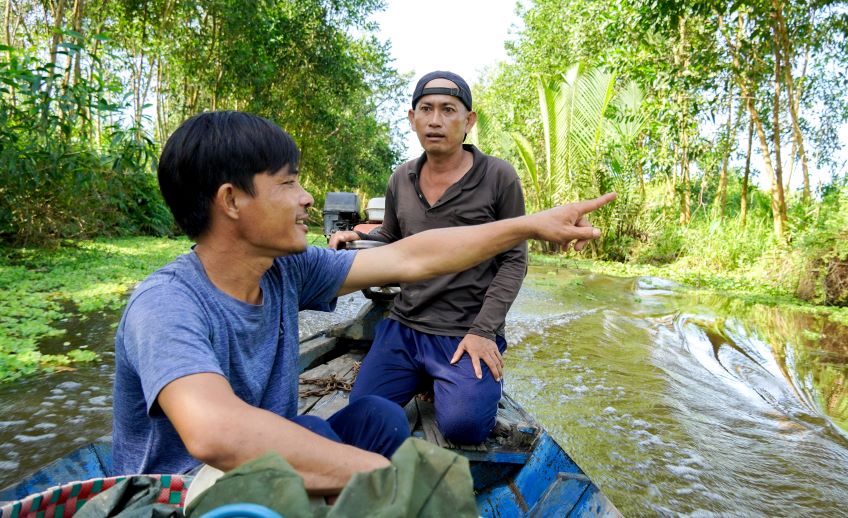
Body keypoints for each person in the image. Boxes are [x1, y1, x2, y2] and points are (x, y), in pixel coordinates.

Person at [112, 110, 614, 499]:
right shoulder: (167, 304)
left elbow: (412, 256)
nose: (307, 199)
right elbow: (215, 433)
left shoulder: (287, 269)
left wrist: (529, 225)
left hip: (258, 472)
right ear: (231, 201)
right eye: (289, 183)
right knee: (367, 452)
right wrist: (385, 478)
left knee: (377, 416)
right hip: (188, 496)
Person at [330, 71, 526, 444]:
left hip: (464, 331)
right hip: (406, 327)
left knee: (464, 428)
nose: (436, 120)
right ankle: (424, 375)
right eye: (427, 109)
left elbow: (514, 259)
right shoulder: (400, 178)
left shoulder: (498, 177)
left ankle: (472, 384)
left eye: (448, 110)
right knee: (365, 409)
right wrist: (354, 235)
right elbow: (390, 236)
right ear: (412, 118)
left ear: (468, 120)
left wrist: (484, 331)